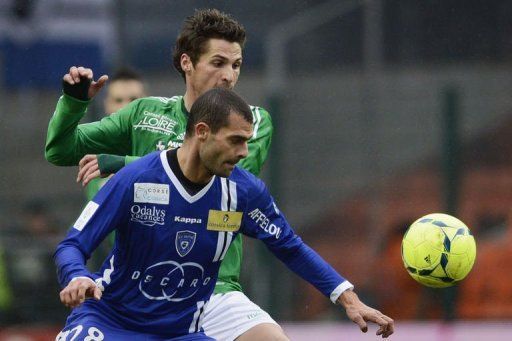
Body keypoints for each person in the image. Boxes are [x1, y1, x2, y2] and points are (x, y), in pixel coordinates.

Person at [55, 88, 394, 340]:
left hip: (180, 332)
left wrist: (348, 299)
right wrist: (75, 276)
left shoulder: (243, 192)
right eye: (235, 141)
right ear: (202, 132)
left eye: (247, 141)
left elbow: (288, 246)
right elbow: (72, 244)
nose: (244, 152)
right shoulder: (135, 179)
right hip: (112, 322)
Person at [46, 9, 281, 340]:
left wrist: (121, 162)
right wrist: (72, 104)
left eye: (236, 65)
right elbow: (60, 150)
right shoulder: (146, 114)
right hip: (140, 288)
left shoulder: (253, 122)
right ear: (187, 63)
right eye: (218, 63)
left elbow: (225, 175)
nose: (229, 76)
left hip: (216, 288)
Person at [84, 67, 147, 201]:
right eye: (118, 100)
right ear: (107, 105)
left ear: (148, 102)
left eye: (133, 100)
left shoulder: (161, 146)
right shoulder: (97, 154)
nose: (127, 108)